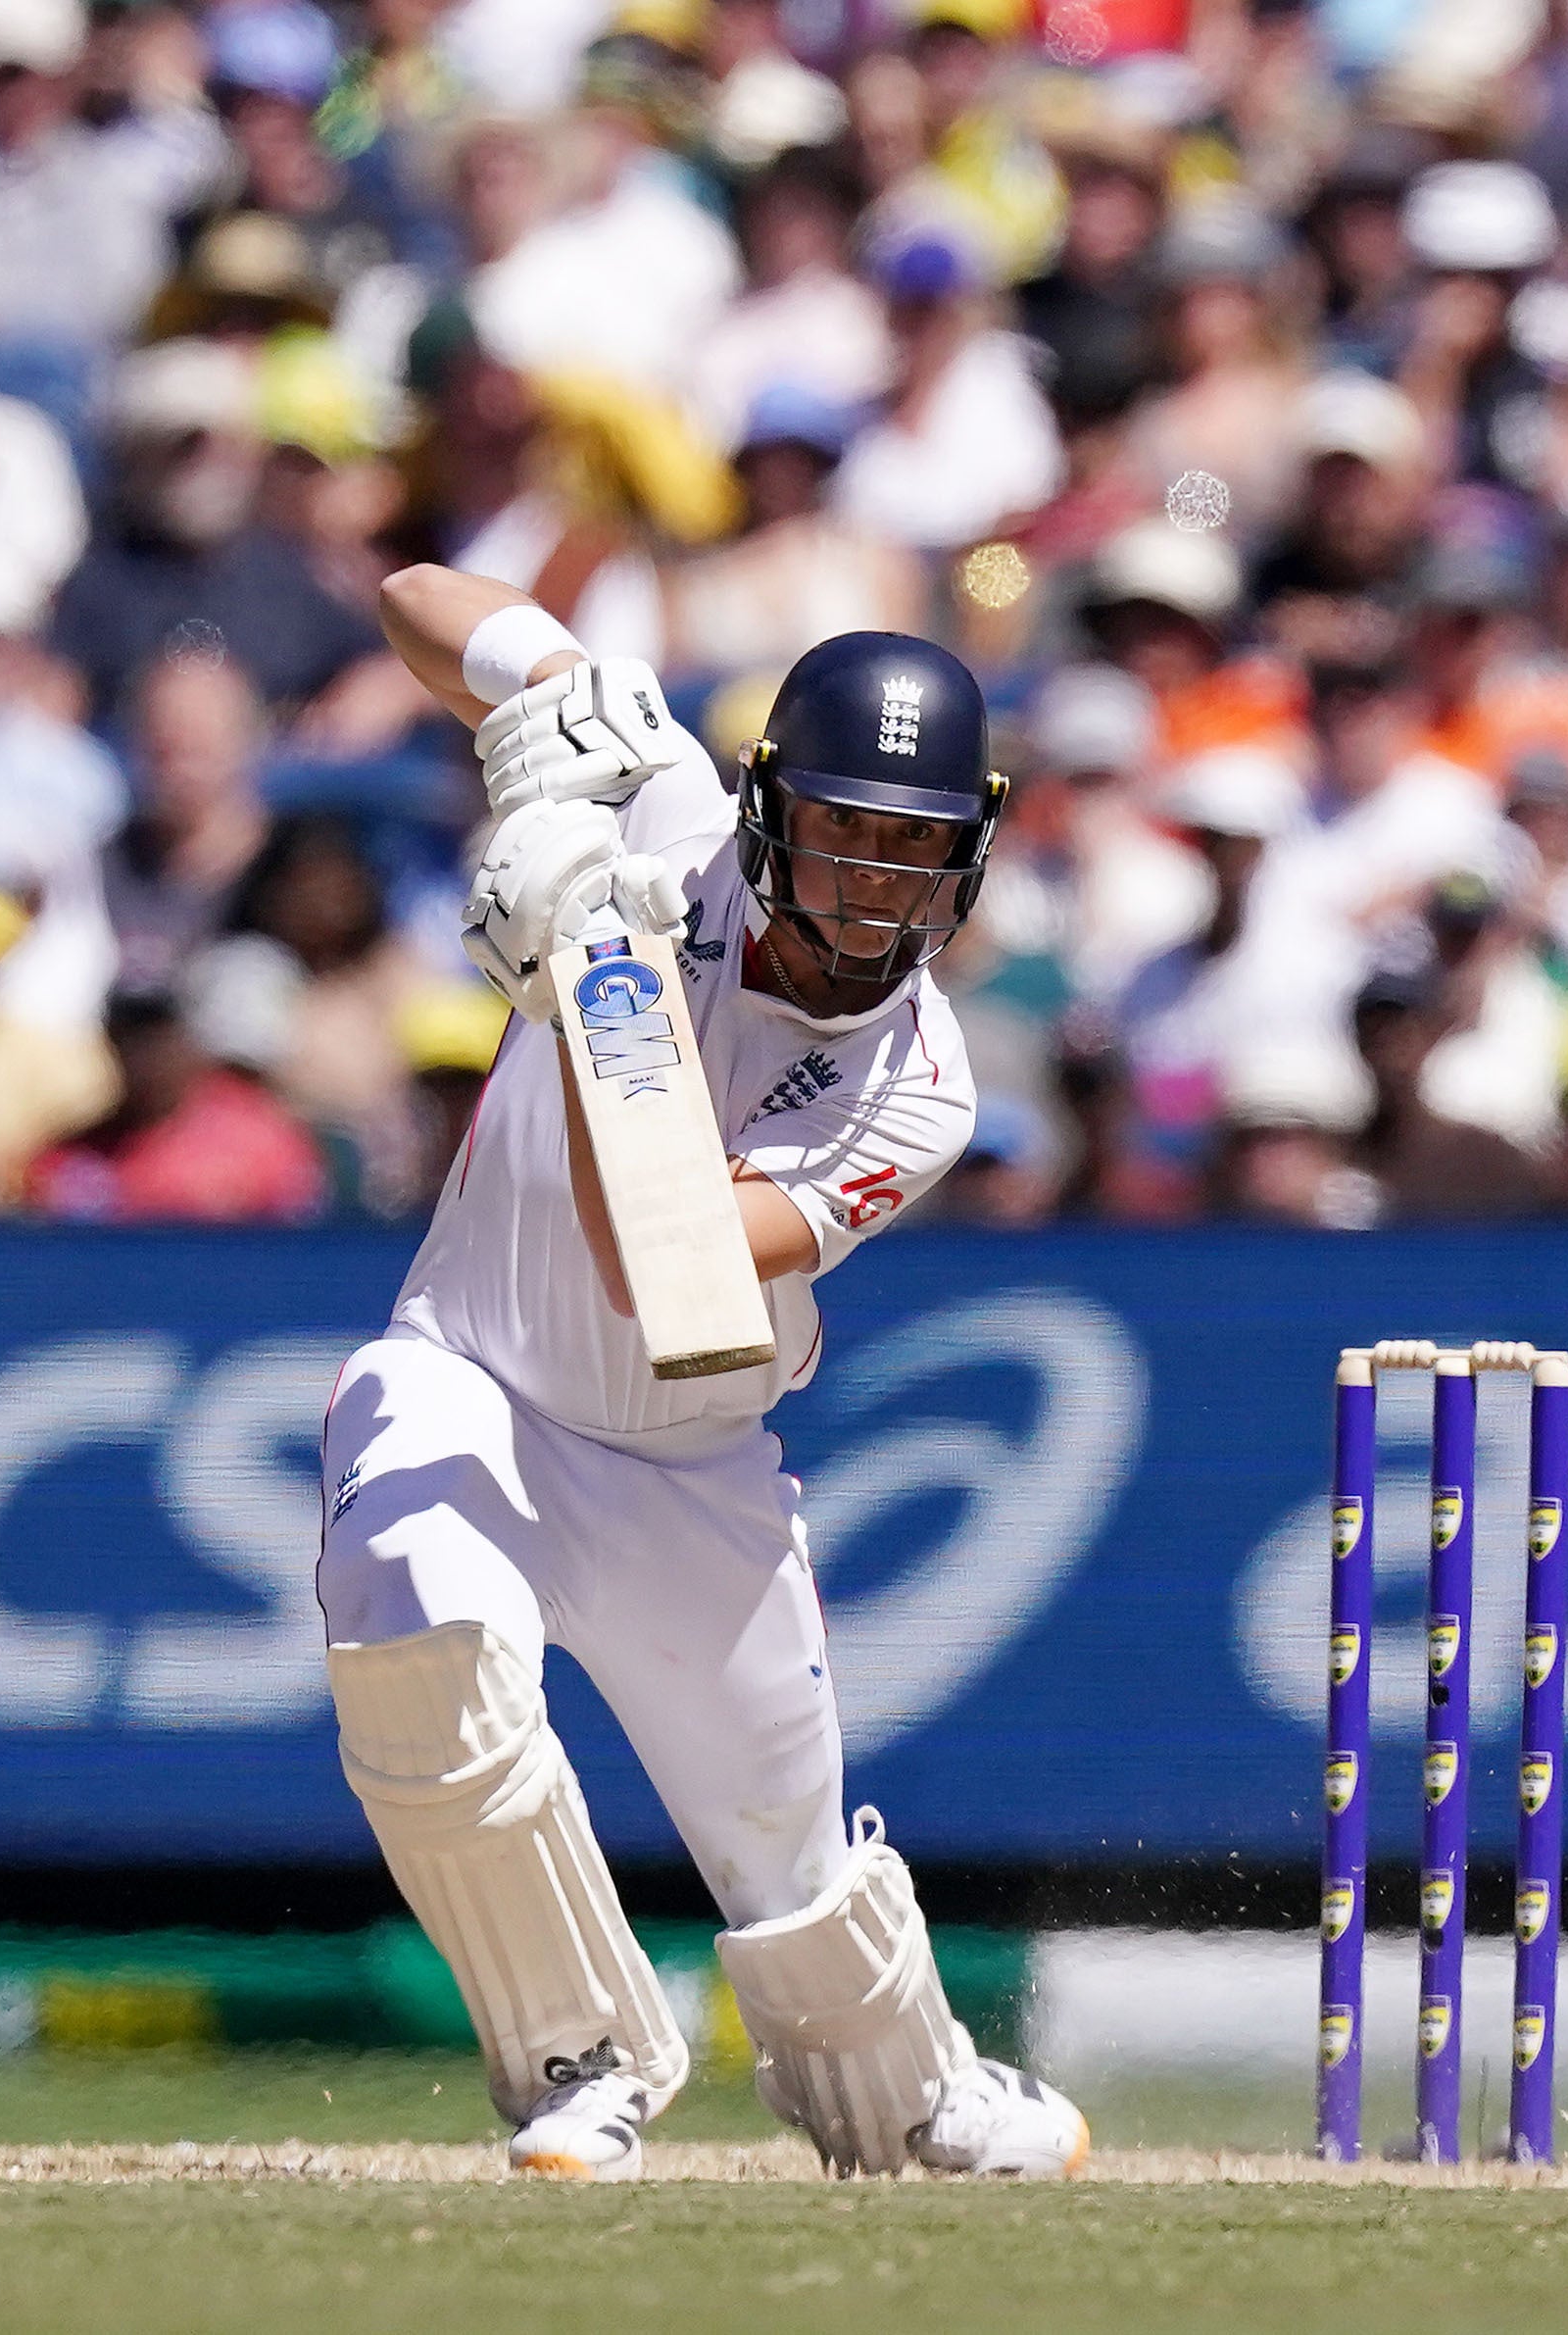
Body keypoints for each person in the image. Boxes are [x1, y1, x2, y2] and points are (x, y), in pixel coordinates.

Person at [319, 567, 1087, 2182]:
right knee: (416, 1638)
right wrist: (543, 685)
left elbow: (671, 1266)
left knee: (788, 1868)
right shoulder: (663, 805)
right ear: (764, 809)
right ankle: (578, 2060)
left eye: (910, 846)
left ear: (968, 854)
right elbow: (413, 598)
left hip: (690, 1458)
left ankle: (920, 2087)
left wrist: (595, 974)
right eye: (842, 832)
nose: (871, 884)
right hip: (469, 1372)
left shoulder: (923, 1084)